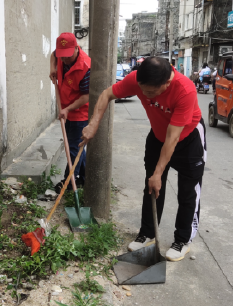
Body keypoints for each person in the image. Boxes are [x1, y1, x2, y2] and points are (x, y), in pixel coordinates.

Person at [81, 57, 206, 262]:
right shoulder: (136, 79)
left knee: (187, 191)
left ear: (166, 84)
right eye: (142, 90)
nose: (145, 95)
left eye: (150, 92)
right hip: (158, 137)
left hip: (187, 138)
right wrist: (93, 124)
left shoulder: (185, 90)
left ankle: (183, 239)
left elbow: (173, 137)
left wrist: (159, 172)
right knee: (152, 187)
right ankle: (147, 232)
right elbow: (106, 94)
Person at [49, 32, 91, 193]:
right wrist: (52, 68)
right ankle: (85, 177)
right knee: (77, 146)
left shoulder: (86, 66)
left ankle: (67, 183)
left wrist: (67, 109)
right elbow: (53, 55)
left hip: (80, 112)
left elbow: (86, 96)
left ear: (76, 48)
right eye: (62, 56)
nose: (64, 59)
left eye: (67, 56)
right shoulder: (60, 54)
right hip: (65, 108)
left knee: (72, 148)